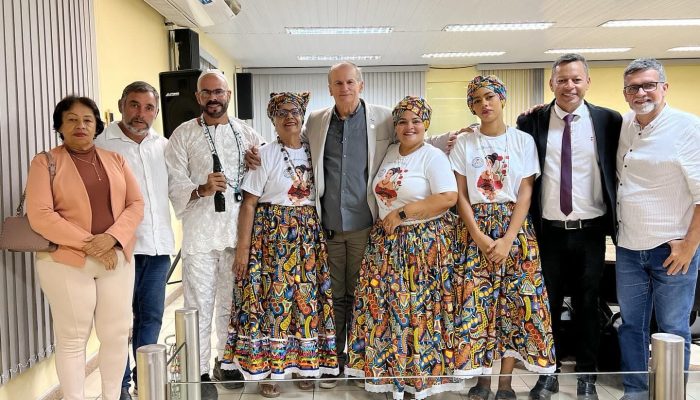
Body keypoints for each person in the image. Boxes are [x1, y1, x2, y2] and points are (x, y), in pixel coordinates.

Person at [246, 62, 460, 387]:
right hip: (326, 228)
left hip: (366, 227)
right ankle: (335, 363)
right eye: (338, 83)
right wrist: (256, 151)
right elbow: (289, 138)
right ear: (329, 88)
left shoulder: (384, 118)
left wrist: (456, 136)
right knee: (332, 297)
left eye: (350, 82)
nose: (344, 88)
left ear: (360, 85)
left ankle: (361, 363)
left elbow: (414, 133)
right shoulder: (317, 121)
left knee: (361, 297)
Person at [515, 53, 622, 400]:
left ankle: (587, 377)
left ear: (587, 82)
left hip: (591, 231)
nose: (569, 86)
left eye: (576, 79)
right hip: (548, 232)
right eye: (562, 80)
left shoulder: (609, 120)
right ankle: (548, 373)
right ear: (552, 84)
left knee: (588, 304)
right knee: (547, 305)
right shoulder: (531, 121)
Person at [26, 96, 144, 400]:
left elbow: (135, 203)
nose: (81, 126)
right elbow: (40, 215)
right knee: (72, 338)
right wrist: (92, 244)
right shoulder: (45, 162)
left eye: (87, 120)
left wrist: (112, 238)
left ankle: (111, 396)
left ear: (96, 126)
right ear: (60, 126)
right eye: (72, 120)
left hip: (115, 258)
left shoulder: (115, 159)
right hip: (65, 260)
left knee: (117, 335)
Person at [345, 96, 461, 399]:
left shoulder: (432, 156)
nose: (409, 126)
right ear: (395, 126)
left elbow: (448, 196)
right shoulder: (390, 152)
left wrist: (402, 214)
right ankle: (388, 373)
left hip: (419, 246)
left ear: (426, 125)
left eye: (416, 121)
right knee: (386, 312)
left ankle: (416, 381)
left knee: (416, 313)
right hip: (385, 245)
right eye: (402, 121)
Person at [223, 92, 338, 398]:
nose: (290, 117)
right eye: (282, 112)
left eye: (295, 111)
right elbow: (248, 204)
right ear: (272, 120)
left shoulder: (315, 150)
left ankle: (304, 365)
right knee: (271, 305)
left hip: (307, 240)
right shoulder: (264, 154)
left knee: (304, 302)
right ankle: (268, 371)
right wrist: (243, 250)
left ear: (303, 116)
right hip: (270, 240)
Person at [451, 76, 556, 400]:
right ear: (471, 106)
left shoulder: (522, 141)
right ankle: (481, 379)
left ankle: (506, 382)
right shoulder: (464, 144)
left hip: (516, 229)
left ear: (502, 100)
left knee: (515, 306)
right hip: (475, 229)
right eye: (477, 99)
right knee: (477, 304)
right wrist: (479, 237)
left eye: (490, 97)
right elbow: (461, 195)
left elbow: (525, 192)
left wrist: (509, 237)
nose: (485, 104)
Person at [165, 69, 263, 398]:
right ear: (197, 97)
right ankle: (200, 370)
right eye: (206, 92)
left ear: (228, 96)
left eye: (219, 91)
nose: (213, 98)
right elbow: (174, 180)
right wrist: (201, 188)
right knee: (198, 304)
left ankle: (227, 360)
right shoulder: (182, 135)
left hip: (236, 234)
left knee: (230, 303)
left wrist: (256, 164)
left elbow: (261, 181)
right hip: (200, 235)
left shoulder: (247, 133)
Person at [615, 58, 700, 400]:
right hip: (629, 247)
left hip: (672, 249)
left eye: (649, 85)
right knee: (631, 326)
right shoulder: (624, 126)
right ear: (625, 94)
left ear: (664, 87)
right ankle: (635, 391)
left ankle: (670, 394)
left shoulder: (687, 127)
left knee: (673, 329)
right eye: (633, 87)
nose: (641, 92)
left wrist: (690, 245)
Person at [94, 81, 175, 400]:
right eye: (134, 105)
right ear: (121, 104)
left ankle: (146, 379)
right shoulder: (102, 144)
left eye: (148, 107)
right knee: (116, 324)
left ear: (156, 111)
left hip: (157, 249)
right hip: (118, 251)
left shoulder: (163, 145)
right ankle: (120, 388)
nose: (141, 114)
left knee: (151, 316)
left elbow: (178, 186)